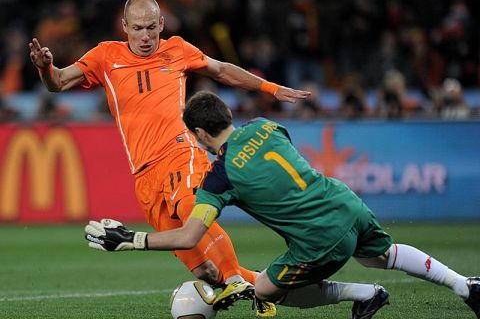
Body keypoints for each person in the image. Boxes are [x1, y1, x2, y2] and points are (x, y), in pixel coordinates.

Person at [85, 90, 480, 318]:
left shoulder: (219, 177)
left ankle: (364, 294)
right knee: (385, 254)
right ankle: (464, 285)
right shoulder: (265, 126)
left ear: (200, 133)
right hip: (344, 202)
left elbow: (190, 235)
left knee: (264, 290)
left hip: (317, 238)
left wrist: (130, 239)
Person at [29, 0, 310, 311]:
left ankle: (236, 279)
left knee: (194, 215)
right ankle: (271, 288)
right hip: (144, 176)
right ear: (125, 28)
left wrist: (270, 88)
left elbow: (221, 70)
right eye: (138, 29)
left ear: (161, 24)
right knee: (205, 271)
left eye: (152, 28)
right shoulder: (105, 56)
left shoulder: (177, 49)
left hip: (180, 153)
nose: (146, 36)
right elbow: (57, 83)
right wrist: (45, 67)